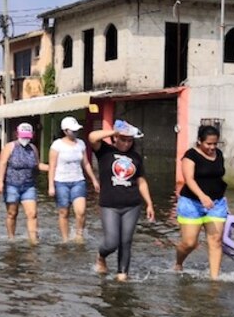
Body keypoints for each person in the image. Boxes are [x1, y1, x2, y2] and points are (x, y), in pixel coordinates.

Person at [89, 119, 154, 282]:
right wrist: (115, 131)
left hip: (131, 204)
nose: (126, 144)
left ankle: (122, 274)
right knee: (111, 242)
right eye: (123, 140)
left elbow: (141, 181)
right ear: (116, 138)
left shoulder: (136, 157)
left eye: (130, 140)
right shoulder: (104, 151)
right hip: (109, 204)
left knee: (126, 241)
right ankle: (101, 256)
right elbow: (92, 137)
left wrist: (149, 204)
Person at [174, 125, 229, 280]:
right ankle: (178, 262)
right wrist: (202, 196)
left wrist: (224, 201)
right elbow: (189, 179)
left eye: (215, 144)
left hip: (216, 204)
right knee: (190, 243)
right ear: (199, 141)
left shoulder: (218, 154)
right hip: (192, 203)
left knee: (215, 241)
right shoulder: (190, 156)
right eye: (208, 144)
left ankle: (214, 279)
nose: (212, 148)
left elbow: (218, 179)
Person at [48, 116, 100, 243]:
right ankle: (65, 239)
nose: (76, 133)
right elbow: (52, 166)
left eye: (77, 130)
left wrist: (94, 180)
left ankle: (79, 235)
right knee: (63, 211)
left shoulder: (81, 144)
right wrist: (51, 185)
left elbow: (86, 163)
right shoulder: (57, 145)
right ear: (65, 131)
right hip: (61, 182)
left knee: (81, 211)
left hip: (78, 181)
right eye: (73, 130)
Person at [0, 122, 48, 244]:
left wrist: (53, 168)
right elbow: (2, 164)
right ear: (17, 134)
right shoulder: (10, 147)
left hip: (29, 186)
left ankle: (33, 240)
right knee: (12, 213)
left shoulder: (33, 148)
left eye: (27, 136)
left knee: (32, 214)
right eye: (23, 136)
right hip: (11, 185)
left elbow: (37, 165)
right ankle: (11, 238)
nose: (25, 139)